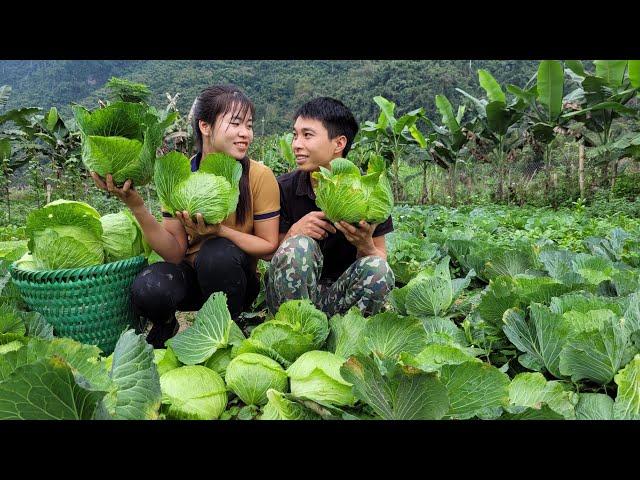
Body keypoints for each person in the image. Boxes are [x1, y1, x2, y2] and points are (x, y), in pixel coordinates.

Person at [91, 84, 280, 347]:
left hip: (235, 281)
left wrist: (221, 231)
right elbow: (175, 253)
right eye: (236, 123)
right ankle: (167, 324)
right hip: (192, 278)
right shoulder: (179, 175)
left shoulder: (259, 176)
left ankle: (230, 326)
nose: (245, 133)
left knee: (216, 252)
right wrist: (137, 206)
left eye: (249, 125)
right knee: (148, 286)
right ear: (205, 126)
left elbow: (269, 248)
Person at [266, 97, 394, 318]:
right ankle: (295, 331)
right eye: (295, 135)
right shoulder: (283, 188)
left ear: (339, 143)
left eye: (307, 135)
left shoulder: (370, 191)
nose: (296, 144)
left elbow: (379, 258)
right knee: (298, 246)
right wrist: (294, 233)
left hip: (340, 296)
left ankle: (346, 336)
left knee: (378, 269)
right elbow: (270, 255)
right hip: (290, 301)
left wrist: (365, 245)